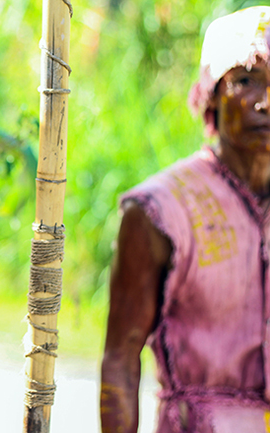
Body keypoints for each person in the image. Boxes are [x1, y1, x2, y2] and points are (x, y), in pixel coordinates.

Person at [100, 6, 270, 433]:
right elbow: (120, 359)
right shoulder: (161, 210)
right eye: (245, 80)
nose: (266, 101)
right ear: (211, 92)